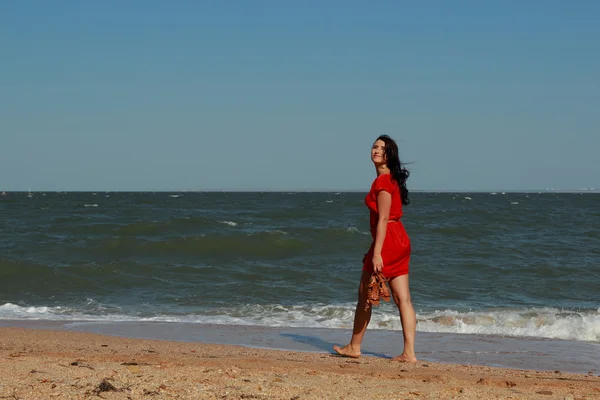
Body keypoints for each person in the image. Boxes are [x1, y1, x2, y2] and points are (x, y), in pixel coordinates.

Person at [333, 135, 417, 362]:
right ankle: (409, 353)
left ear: (390, 154)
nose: (377, 151)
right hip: (400, 239)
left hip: (387, 239)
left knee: (364, 296)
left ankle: (354, 346)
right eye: (375, 147)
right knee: (404, 299)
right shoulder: (391, 180)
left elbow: (382, 219)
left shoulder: (382, 181)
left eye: (383, 148)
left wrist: (377, 252)